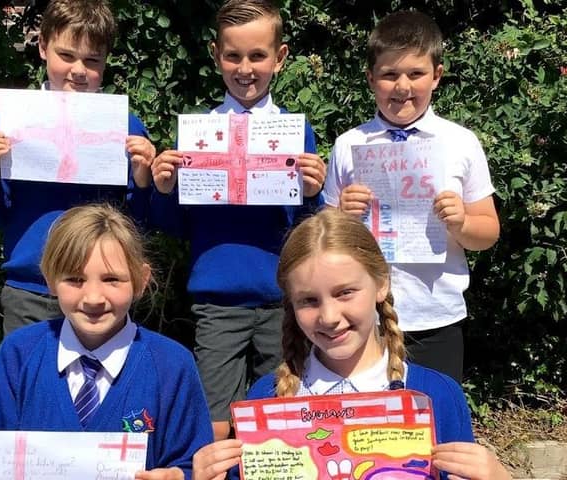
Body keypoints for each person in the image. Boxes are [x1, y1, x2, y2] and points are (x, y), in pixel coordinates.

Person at [190, 208, 511, 480]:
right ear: (289, 303)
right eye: (309, 300)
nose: (329, 316)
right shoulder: (266, 398)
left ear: (381, 283)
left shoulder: (437, 394)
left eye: (345, 292)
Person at [0, 204, 213, 480]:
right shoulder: (20, 354)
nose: (93, 298)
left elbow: (194, 462)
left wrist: (181, 476)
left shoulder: (172, 365)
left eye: (112, 279)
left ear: (140, 280)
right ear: (50, 280)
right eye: (75, 280)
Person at [149, 0, 326, 440]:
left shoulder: (295, 132)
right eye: (233, 56)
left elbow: (309, 226)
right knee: (214, 422)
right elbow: (173, 225)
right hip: (217, 300)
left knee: (282, 418)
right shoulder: (196, 132)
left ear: (279, 58)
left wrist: (312, 194)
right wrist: (164, 189)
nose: (245, 68)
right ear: (216, 55)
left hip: (283, 299)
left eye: (257, 56)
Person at [322, 10, 500, 382]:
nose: (402, 86)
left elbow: (488, 233)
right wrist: (342, 215)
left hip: (437, 314)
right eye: (389, 75)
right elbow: (323, 238)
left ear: (437, 76)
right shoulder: (349, 144)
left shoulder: (460, 142)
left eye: (416, 74)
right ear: (371, 79)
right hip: (362, 316)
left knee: (435, 420)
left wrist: (463, 222)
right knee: (371, 425)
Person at [0, 0, 156, 335]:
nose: (78, 70)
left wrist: (143, 181)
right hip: (30, 288)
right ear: (42, 47)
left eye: (92, 60)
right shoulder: (12, 121)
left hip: (101, 292)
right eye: (66, 55)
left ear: (106, 61)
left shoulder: (125, 127)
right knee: (30, 383)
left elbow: (140, 224)